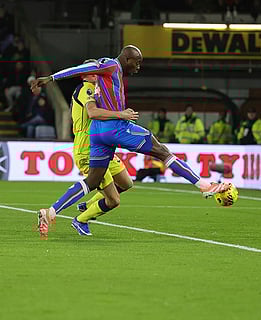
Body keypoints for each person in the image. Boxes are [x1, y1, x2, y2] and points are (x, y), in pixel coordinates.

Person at [31, 45, 229, 238]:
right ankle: (204, 185)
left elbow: (92, 91)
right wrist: (51, 78)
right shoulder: (110, 66)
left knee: (93, 181)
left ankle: (51, 211)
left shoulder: (99, 84)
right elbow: (83, 70)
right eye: (137, 62)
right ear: (127, 59)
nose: (138, 66)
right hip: (115, 128)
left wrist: (51, 78)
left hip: (97, 134)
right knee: (162, 151)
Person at [69, 60, 134, 235]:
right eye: (92, 72)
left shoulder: (97, 90)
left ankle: (88, 205)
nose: (96, 74)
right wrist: (120, 114)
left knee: (126, 183)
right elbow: (93, 113)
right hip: (88, 148)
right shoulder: (86, 89)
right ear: (83, 74)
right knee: (113, 200)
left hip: (102, 146)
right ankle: (80, 220)